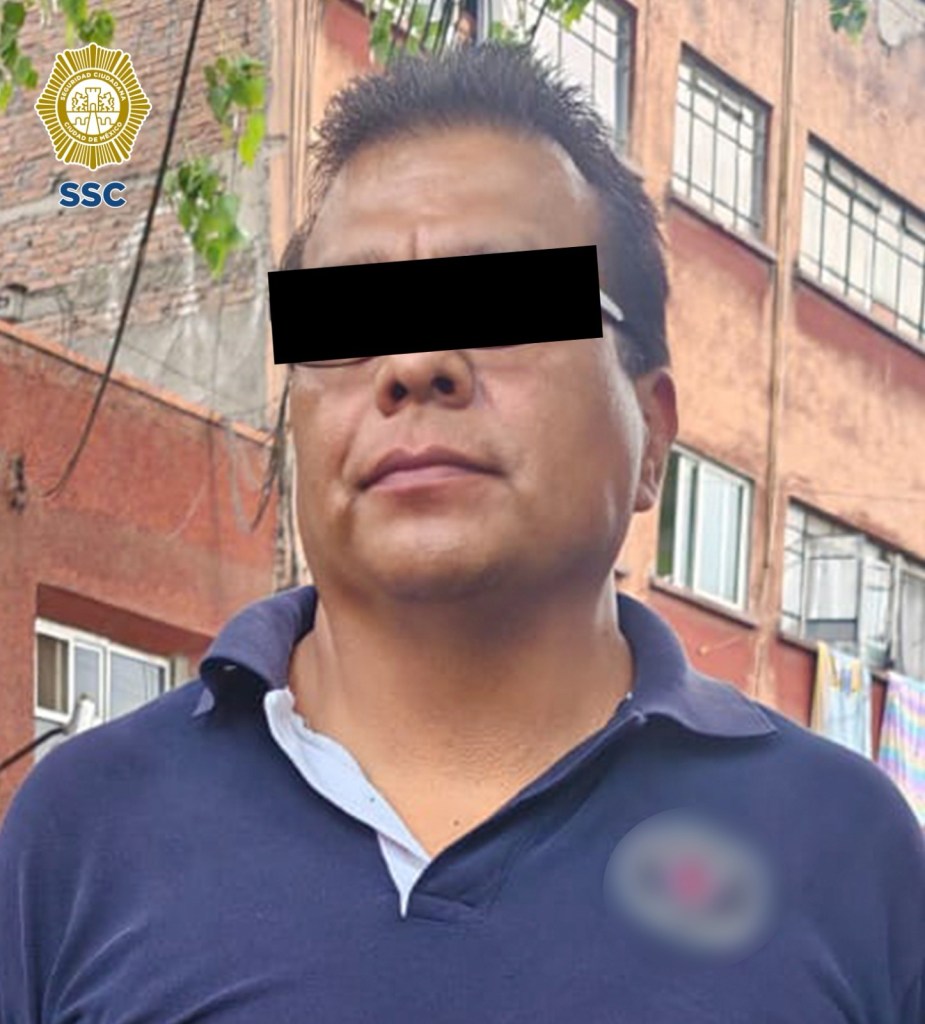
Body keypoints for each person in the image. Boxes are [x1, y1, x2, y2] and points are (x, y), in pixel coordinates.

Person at [1, 42, 923, 1024]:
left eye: (505, 305)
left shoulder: (845, 849)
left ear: (651, 435)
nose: (415, 363)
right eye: (351, 321)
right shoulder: (83, 828)